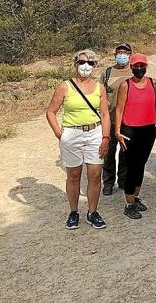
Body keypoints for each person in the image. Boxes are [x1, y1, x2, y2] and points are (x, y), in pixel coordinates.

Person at [46, 49, 110, 230]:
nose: (85, 66)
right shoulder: (65, 86)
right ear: (75, 64)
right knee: (73, 175)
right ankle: (74, 211)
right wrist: (60, 133)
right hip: (72, 134)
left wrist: (105, 137)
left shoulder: (99, 87)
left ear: (95, 66)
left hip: (94, 133)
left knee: (95, 174)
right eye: (82, 62)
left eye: (90, 63)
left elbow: (105, 114)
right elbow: (51, 111)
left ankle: (92, 212)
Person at [114, 53, 156, 219]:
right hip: (129, 130)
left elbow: (155, 105)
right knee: (131, 166)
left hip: (147, 128)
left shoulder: (153, 83)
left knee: (141, 164)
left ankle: (135, 197)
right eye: (136, 66)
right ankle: (129, 204)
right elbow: (119, 109)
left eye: (142, 65)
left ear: (146, 66)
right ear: (131, 67)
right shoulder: (125, 85)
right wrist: (117, 131)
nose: (139, 68)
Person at [101, 42, 133, 195]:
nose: (122, 55)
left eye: (125, 52)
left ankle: (123, 180)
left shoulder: (135, 72)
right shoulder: (107, 72)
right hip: (110, 119)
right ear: (115, 55)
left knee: (125, 152)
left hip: (129, 120)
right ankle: (108, 182)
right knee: (108, 152)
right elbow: (100, 95)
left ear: (130, 55)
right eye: (119, 52)